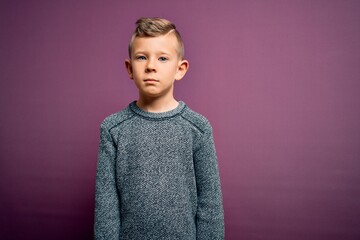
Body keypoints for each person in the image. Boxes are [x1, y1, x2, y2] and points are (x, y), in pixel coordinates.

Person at [94, 17, 224, 240]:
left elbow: (210, 204)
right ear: (129, 67)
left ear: (180, 69)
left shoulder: (198, 128)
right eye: (142, 57)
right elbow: (106, 206)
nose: (151, 66)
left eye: (163, 58)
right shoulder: (113, 129)